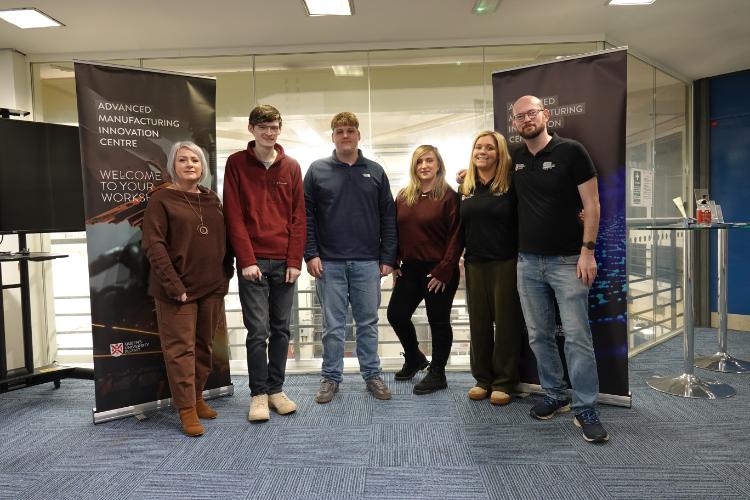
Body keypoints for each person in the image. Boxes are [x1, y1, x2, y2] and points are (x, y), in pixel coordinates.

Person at [510, 95, 608, 443]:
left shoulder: (572, 151)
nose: (526, 119)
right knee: (539, 335)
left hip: (568, 261)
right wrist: (467, 177)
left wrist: (588, 251)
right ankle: (555, 394)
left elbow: (592, 204)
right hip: (527, 262)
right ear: (515, 123)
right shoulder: (515, 158)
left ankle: (585, 407)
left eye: (532, 113)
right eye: (519, 116)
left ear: (546, 115)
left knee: (578, 338)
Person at [304, 111, 397, 403]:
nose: (345, 135)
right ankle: (331, 378)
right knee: (333, 326)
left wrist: (388, 257)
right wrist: (310, 254)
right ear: (333, 136)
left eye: (350, 130)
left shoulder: (376, 171)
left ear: (358, 135)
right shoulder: (317, 170)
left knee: (367, 323)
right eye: (340, 131)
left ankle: (372, 375)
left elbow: (389, 217)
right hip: (328, 263)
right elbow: (305, 216)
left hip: (368, 262)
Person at [142, 141, 232, 437]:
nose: (190, 164)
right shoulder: (161, 199)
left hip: (212, 288)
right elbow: (153, 245)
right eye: (183, 160)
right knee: (181, 351)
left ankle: (197, 397)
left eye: (195, 159)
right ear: (173, 166)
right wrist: (174, 284)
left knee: (204, 347)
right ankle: (186, 409)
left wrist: (225, 276)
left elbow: (224, 239)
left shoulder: (211, 199)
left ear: (203, 167)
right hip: (176, 291)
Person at [223, 104, 305, 422]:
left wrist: (294, 260)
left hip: (285, 262)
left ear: (279, 129)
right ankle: (258, 394)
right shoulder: (236, 164)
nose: (269, 133)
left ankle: (276, 390)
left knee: (281, 329)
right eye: (263, 127)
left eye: (274, 127)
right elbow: (233, 215)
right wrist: (245, 259)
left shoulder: (292, 167)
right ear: (251, 129)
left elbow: (299, 217)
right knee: (258, 331)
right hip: (253, 261)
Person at [387, 145, 462, 394]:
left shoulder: (449, 196)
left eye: (429, 160)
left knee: (438, 321)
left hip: (438, 270)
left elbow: (457, 236)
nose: (424, 166)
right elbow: (394, 230)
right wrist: (394, 261)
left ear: (438, 165)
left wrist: (445, 269)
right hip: (410, 268)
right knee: (396, 315)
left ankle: (438, 372)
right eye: (419, 162)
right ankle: (414, 357)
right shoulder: (404, 196)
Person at [460, 131, 523, 406]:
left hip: (506, 262)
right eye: (478, 147)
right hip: (474, 263)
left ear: (500, 154)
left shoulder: (511, 184)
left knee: (506, 324)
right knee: (479, 324)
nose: (482, 152)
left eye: (489, 147)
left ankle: (504, 381)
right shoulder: (466, 188)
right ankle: (482, 379)